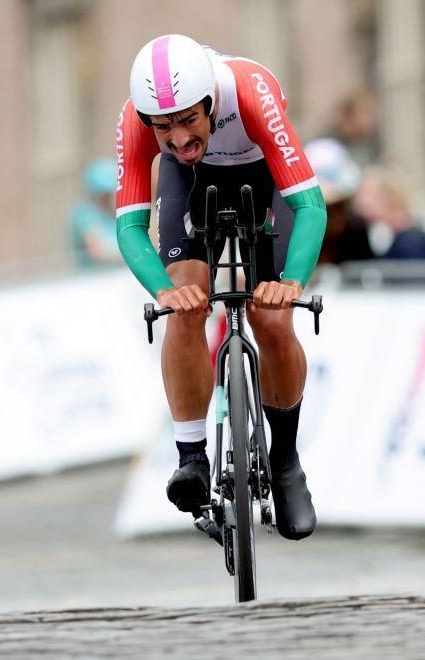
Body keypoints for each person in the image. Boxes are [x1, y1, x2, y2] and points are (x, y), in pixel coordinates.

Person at [117, 34, 327, 540]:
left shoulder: (249, 91)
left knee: (272, 318)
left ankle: (285, 462)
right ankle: (191, 458)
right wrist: (162, 293)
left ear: (211, 100)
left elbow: (311, 206)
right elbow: (129, 225)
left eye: (190, 119)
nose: (179, 136)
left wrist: (292, 282)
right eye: (163, 127)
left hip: (262, 172)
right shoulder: (136, 119)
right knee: (184, 305)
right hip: (189, 182)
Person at [303, 138, 375, 265]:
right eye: (326, 207)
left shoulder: (356, 230)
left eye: (338, 206)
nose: (333, 216)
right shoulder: (299, 232)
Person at [353, 166, 425, 260]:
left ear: (389, 199)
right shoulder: (398, 241)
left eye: (369, 194)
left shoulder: (409, 244)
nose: (359, 205)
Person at [69, 158, 121, 268]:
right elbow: (97, 250)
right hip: (93, 280)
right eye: (105, 195)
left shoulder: (116, 214)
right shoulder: (84, 214)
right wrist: (135, 253)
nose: (111, 198)